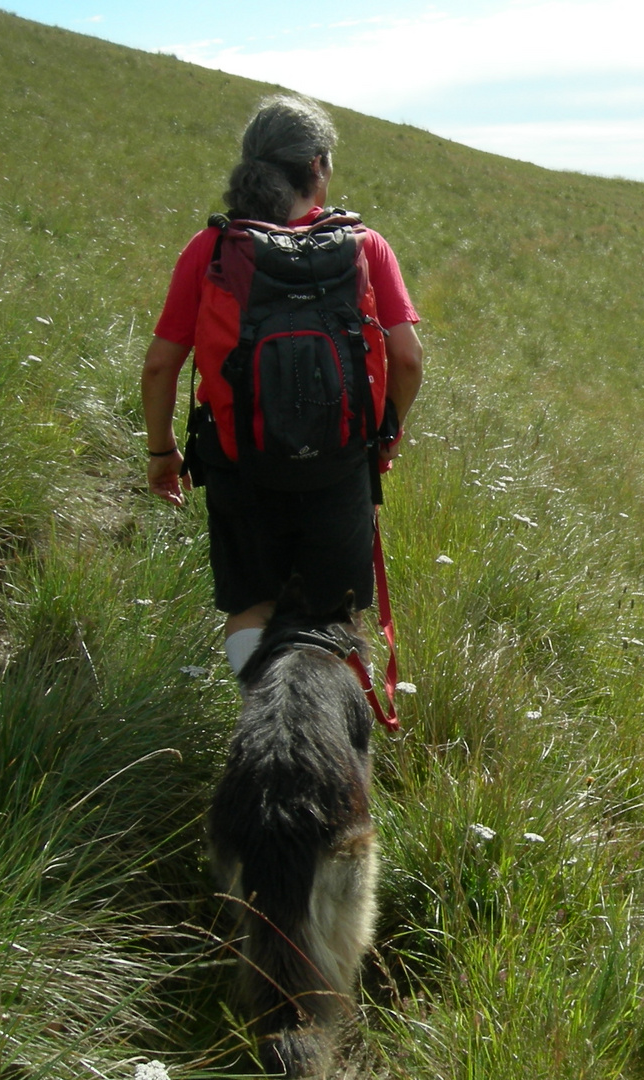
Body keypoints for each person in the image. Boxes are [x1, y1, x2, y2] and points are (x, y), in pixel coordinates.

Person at [140, 95, 424, 677]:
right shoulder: (366, 246)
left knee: (252, 604)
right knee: (338, 617)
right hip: (341, 465)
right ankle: (334, 740)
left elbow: (159, 366)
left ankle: (262, 716)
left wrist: (163, 453)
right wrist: (386, 432)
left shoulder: (212, 249)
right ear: (317, 166)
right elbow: (408, 358)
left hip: (239, 464)